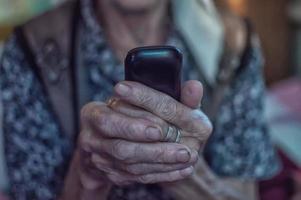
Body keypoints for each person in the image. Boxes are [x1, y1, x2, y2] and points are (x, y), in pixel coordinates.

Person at [0, 0, 280, 199]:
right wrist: (89, 172)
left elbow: (244, 191)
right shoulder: (29, 51)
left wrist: (178, 166)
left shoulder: (232, 44)